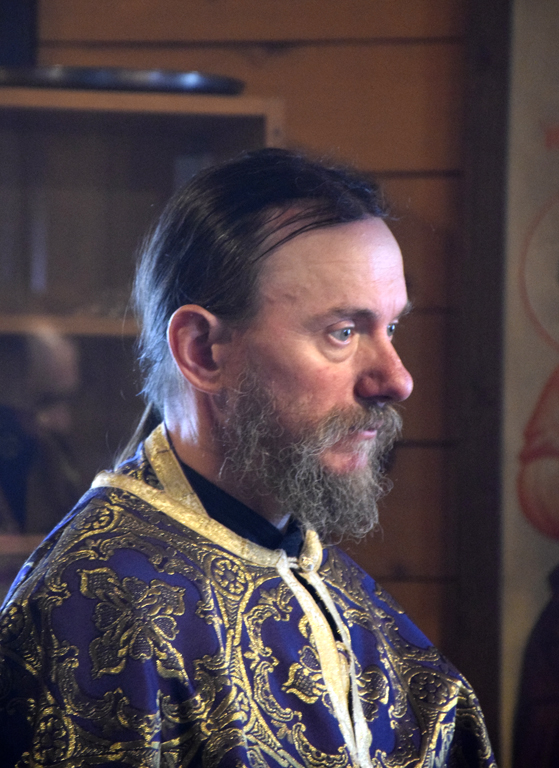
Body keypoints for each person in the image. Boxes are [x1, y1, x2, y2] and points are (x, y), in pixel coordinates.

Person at [0, 149, 496, 767]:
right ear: (203, 351)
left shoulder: (342, 594)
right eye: (343, 332)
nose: (397, 381)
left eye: (390, 329)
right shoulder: (93, 610)